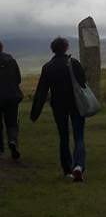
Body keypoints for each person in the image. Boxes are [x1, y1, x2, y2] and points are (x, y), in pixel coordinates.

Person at [30, 37, 88, 182]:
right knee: (79, 135)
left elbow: (41, 91)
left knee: (63, 136)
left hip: (58, 105)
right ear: (66, 48)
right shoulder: (74, 63)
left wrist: (35, 113)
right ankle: (79, 166)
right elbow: (83, 82)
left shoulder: (48, 67)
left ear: (53, 49)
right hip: (76, 103)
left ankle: (67, 170)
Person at [0, 41, 23, 160]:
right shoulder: (11, 60)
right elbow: (18, 79)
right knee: (12, 122)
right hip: (11, 96)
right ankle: (12, 141)